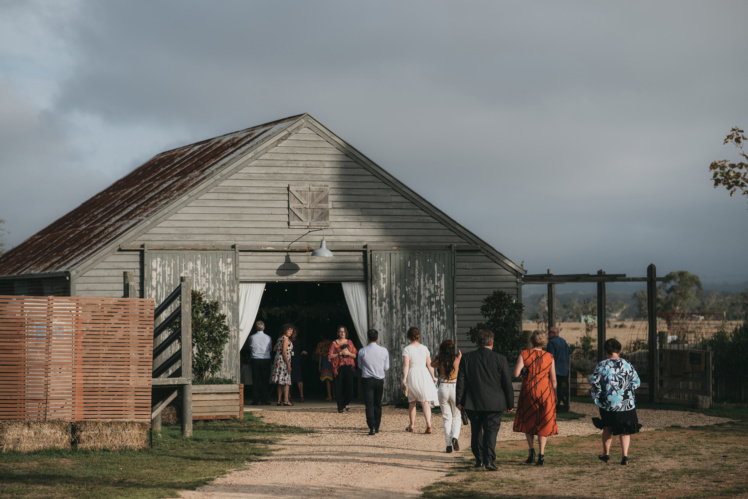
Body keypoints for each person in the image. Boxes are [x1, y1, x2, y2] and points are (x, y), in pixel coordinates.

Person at [456, 329, 514, 471]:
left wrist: (459, 401)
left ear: (478, 342)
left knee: (476, 430)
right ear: (492, 342)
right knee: (491, 431)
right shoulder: (500, 359)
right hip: (494, 402)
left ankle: (479, 459)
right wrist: (510, 403)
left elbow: (461, 382)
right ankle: (489, 459)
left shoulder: (467, 358)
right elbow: (507, 383)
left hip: (472, 401)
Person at [589, 338, 642, 466]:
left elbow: (593, 381)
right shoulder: (627, 364)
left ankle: (606, 454)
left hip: (608, 403)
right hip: (625, 402)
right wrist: (625, 390)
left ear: (606, 351)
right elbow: (636, 382)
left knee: (607, 427)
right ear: (619, 351)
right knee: (625, 430)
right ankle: (625, 456)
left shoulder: (602, 365)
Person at [513, 330, 558, 466]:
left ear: (532, 340)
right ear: (544, 342)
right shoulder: (549, 357)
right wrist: (553, 392)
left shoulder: (524, 354)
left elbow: (516, 373)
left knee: (528, 419)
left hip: (529, 390)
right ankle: (541, 454)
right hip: (545, 390)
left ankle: (531, 450)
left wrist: (523, 375)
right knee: (544, 421)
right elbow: (554, 379)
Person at [402, 326, 439, 434]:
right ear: (418, 336)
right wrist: (433, 376)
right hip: (424, 374)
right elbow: (430, 364)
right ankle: (428, 424)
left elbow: (406, 366)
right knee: (425, 401)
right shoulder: (424, 348)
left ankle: (412, 425)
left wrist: (404, 379)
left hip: (413, 374)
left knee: (412, 401)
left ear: (409, 337)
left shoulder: (407, 349)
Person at [431, 339, 462, 453]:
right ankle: (455, 437)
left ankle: (448, 445)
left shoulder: (440, 361)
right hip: (455, 388)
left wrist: (438, 354)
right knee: (456, 416)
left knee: (446, 418)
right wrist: (460, 356)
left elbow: (431, 364)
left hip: (443, 387)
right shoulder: (457, 359)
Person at [357, 328, 390, 435]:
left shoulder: (362, 351)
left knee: (369, 404)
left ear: (367, 338)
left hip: (367, 380)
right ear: (377, 338)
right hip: (379, 380)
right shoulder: (384, 350)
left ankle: (372, 426)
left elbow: (360, 366)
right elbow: (386, 366)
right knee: (377, 404)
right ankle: (377, 425)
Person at [328, 325, 358, 413]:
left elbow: (355, 355)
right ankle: (340, 406)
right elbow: (330, 356)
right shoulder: (334, 343)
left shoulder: (349, 342)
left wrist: (348, 353)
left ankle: (346, 402)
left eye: (343, 331)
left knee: (350, 387)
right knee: (339, 387)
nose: (342, 333)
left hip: (348, 366)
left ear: (346, 333)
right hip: (338, 367)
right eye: (340, 331)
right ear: (338, 333)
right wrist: (339, 353)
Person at [248, 320, 273, 405]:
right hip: (265, 359)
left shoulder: (252, 337)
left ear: (256, 328)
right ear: (264, 327)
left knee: (255, 380)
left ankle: (255, 400)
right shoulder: (268, 337)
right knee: (265, 380)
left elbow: (250, 348)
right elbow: (270, 348)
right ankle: (264, 400)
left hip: (255, 359)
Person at [546, 326, 570, 412]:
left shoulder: (551, 342)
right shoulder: (563, 341)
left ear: (554, 333)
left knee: (554, 388)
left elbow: (549, 356)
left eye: (550, 332)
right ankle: (562, 405)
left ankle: (556, 406)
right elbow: (569, 351)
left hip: (555, 369)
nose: (548, 334)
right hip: (564, 369)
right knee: (559, 387)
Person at [270, 324, 294, 406]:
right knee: (286, 382)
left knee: (280, 381)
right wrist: (288, 364)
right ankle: (286, 400)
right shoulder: (286, 339)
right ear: (285, 330)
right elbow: (284, 352)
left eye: (292, 330)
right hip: (284, 361)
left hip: (278, 360)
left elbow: (274, 349)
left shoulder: (279, 338)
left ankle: (279, 400)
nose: (291, 332)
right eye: (289, 330)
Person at [290, 327, 308, 402]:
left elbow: (303, 349)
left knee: (299, 379)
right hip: (289, 361)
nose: (293, 334)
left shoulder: (299, 341)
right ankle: (289, 395)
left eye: (295, 332)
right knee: (289, 379)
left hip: (297, 361)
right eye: (292, 332)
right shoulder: (287, 341)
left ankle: (301, 395)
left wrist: (304, 352)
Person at [316, 335, 335, 401]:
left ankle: (329, 396)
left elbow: (320, 355)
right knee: (332, 378)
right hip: (333, 360)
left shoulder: (321, 344)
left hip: (326, 361)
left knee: (327, 378)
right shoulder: (333, 342)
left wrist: (319, 365)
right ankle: (334, 394)